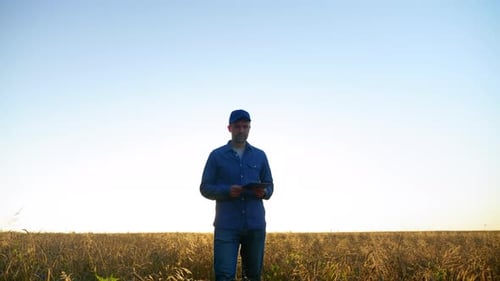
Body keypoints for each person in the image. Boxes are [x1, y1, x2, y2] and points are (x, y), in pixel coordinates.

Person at [200, 109, 274, 281]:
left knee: (253, 276)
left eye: (245, 126)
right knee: (224, 276)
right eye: (237, 127)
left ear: (249, 128)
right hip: (226, 226)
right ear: (229, 128)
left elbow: (270, 186)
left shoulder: (260, 156)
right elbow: (205, 188)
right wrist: (227, 191)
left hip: (255, 225)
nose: (241, 130)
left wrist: (263, 192)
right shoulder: (216, 156)